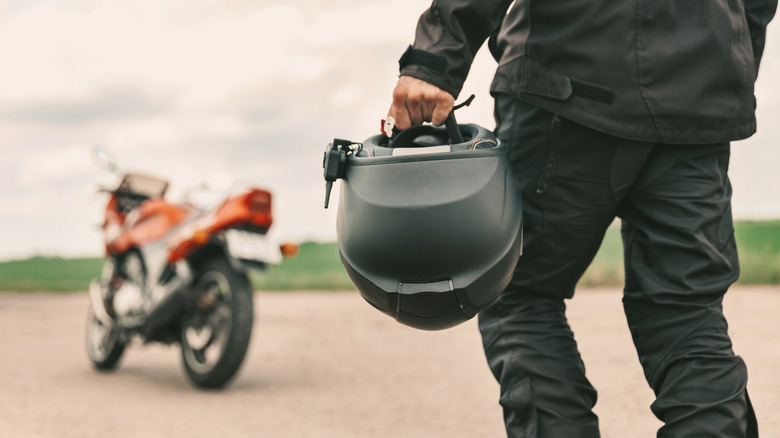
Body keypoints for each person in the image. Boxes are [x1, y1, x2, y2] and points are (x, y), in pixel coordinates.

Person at [386, 1, 776, 437]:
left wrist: (434, 59)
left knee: (519, 291)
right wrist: (721, 73)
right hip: (698, 93)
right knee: (686, 311)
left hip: (569, 78)